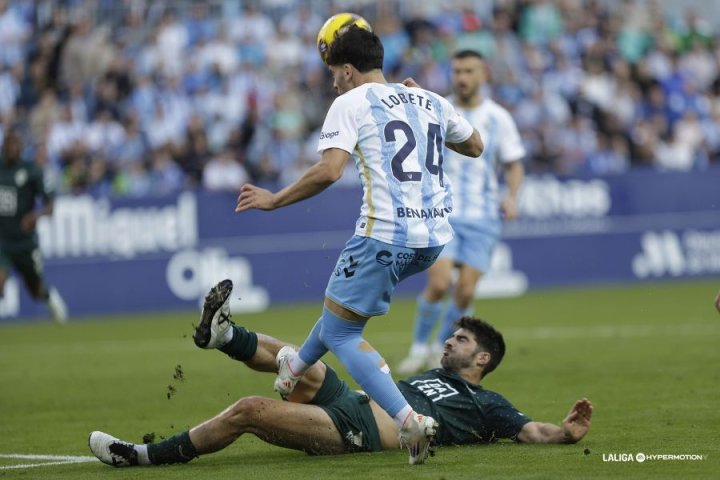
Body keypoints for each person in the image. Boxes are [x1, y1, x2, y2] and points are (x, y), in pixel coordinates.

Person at [235, 26, 483, 464]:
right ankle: (292, 368)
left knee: (343, 331)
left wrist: (275, 199)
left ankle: (408, 420)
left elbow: (330, 171)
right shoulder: (429, 99)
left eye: (334, 73)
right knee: (338, 307)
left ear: (347, 70)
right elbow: (476, 146)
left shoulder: (349, 102)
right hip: (432, 241)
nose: (333, 82)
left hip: (383, 234)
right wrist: (425, 103)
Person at [88, 279, 593, 468]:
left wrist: (566, 434)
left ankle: (144, 456)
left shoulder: (489, 404)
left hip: (365, 430)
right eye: (452, 335)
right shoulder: (434, 375)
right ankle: (225, 337)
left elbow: (532, 432)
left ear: (483, 359)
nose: (449, 341)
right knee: (301, 356)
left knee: (248, 410)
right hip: (352, 400)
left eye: (461, 340)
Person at [397, 50, 525, 374]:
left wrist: (512, 196)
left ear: (483, 75)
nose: (463, 77)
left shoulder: (498, 118)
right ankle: (418, 348)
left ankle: (440, 352)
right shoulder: (439, 109)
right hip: (442, 213)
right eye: (457, 71)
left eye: (469, 71)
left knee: (465, 292)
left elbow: (513, 164)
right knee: (439, 283)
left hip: (483, 216)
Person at [0, 127, 67, 322]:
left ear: (21, 147)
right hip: (2, 241)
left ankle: (50, 297)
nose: (12, 148)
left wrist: (36, 216)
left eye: (15, 144)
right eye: (8, 144)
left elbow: (51, 205)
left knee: (34, 289)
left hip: (24, 241)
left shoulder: (31, 171)